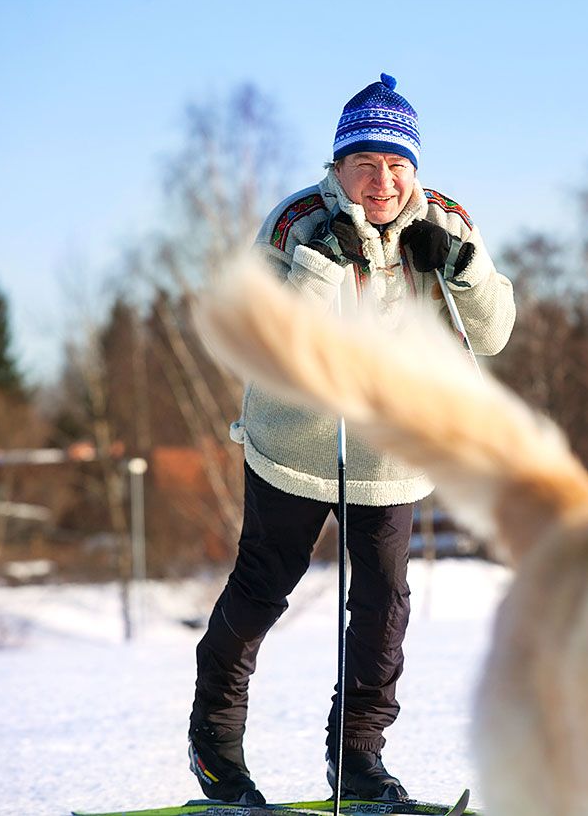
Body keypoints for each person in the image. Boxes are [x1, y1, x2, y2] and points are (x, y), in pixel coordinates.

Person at [188, 74, 516, 806]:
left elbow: (493, 335)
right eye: (365, 165)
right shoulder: (296, 223)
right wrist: (320, 266)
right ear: (337, 169)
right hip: (296, 444)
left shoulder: (449, 219)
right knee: (263, 589)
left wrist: (462, 267)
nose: (382, 180)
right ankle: (215, 746)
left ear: (415, 171)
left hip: (390, 453)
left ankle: (359, 759)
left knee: (384, 607)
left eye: (397, 165)